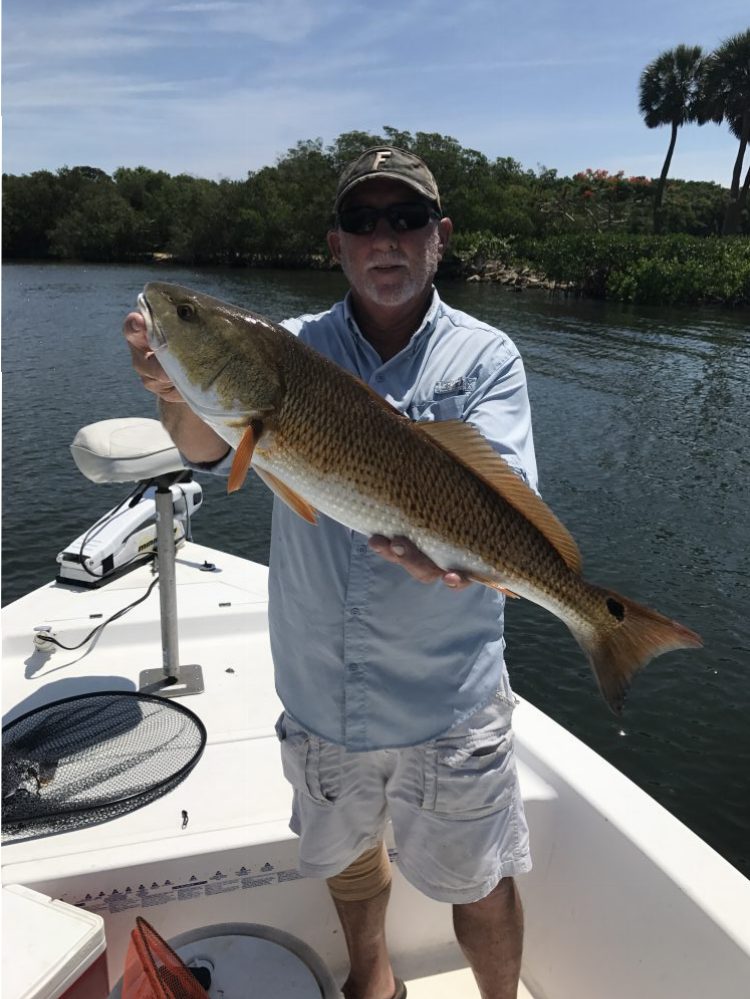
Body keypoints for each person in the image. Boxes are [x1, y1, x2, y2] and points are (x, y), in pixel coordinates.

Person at [124, 146, 536, 999]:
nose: (384, 237)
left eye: (406, 218)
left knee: (480, 878)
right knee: (349, 861)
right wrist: (173, 385)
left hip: (446, 694)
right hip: (320, 686)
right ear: (337, 243)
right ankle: (373, 985)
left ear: (440, 236)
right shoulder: (289, 349)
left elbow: (512, 491)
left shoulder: (486, 356)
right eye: (362, 221)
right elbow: (207, 446)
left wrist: (456, 549)